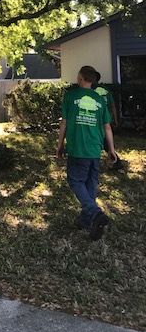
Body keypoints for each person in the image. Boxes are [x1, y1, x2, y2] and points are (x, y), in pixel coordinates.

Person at [56, 65, 117, 241]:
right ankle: (85, 220)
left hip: (78, 148)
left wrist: (60, 145)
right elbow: (107, 126)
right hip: (94, 149)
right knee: (90, 184)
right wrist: (111, 150)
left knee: (75, 180)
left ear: (81, 78)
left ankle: (95, 213)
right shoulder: (99, 99)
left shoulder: (70, 96)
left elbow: (64, 124)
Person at [93, 71, 123, 170]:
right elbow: (113, 105)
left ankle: (116, 161)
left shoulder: (92, 92)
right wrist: (115, 118)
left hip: (97, 121)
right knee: (106, 142)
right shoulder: (106, 90)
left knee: (103, 142)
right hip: (107, 120)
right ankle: (114, 160)